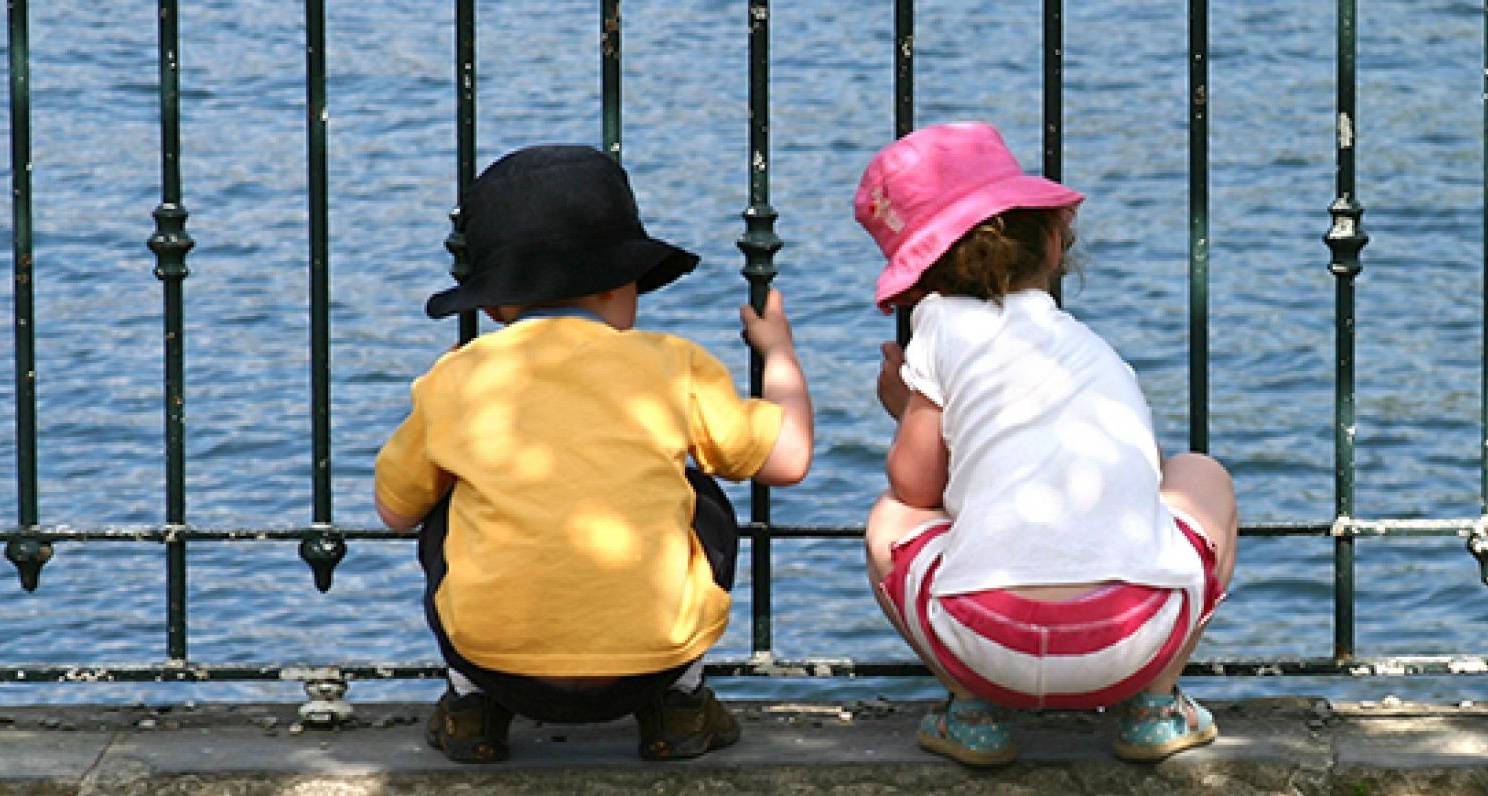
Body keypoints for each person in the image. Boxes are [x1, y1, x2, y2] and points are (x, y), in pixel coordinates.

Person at [374, 144, 813, 763]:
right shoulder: (672, 365)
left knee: (446, 510)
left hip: (499, 663)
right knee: (702, 497)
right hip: (651, 665)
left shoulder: (456, 378)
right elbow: (788, 460)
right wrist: (780, 354)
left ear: (495, 305)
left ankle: (470, 707)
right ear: (620, 285)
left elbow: (395, 511)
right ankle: (681, 704)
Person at [854, 122, 1237, 765]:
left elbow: (916, 487)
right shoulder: (1090, 350)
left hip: (986, 645)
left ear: (919, 278)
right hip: (1133, 639)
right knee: (1200, 473)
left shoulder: (939, 330)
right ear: (1054, 241)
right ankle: (1156, 706)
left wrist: (906, 410)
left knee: (890, 516)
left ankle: (971, 714)